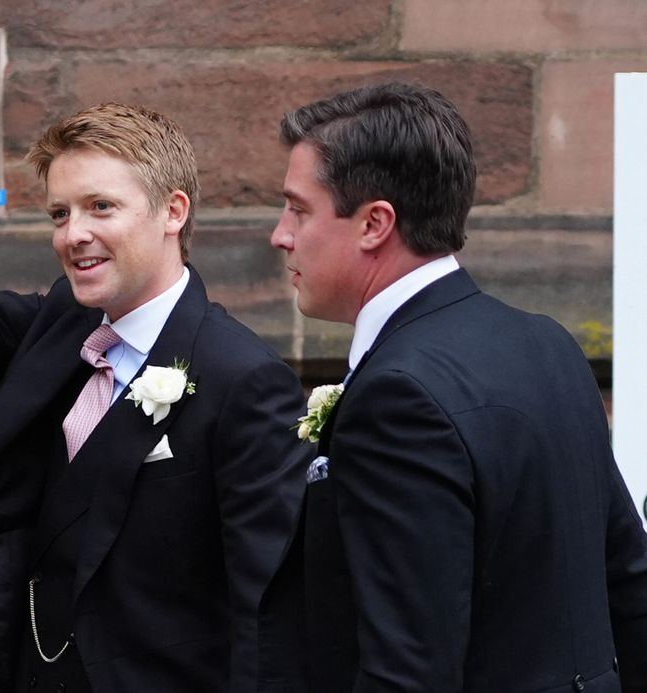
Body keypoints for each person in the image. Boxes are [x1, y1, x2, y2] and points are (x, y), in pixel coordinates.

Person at [0, 78, 311, 692]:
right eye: (60, 213)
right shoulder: (66, 323)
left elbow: (266, 605)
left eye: (100, 207)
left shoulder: (245, 379)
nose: (72, 234)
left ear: (173, 211)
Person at [267, 81, 647, 691]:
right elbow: (628, 578)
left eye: (298, 208)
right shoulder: (546, 342)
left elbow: (409, 668)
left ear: (374, 223)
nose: (280, 235)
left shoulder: (397, 396)